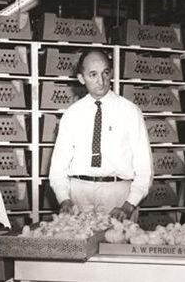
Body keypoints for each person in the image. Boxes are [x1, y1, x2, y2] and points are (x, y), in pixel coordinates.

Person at [49, 48, 153, 220]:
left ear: (111, 73)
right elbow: (58, 166)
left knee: (116, 246)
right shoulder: (72, 114)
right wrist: (64, 199)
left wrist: (129, 205)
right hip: (78, 195)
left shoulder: (130, 111)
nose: (101, 81)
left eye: (105, 73)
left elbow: (144, 167)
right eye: (93, 75)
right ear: (81, 78)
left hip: (118, 195)